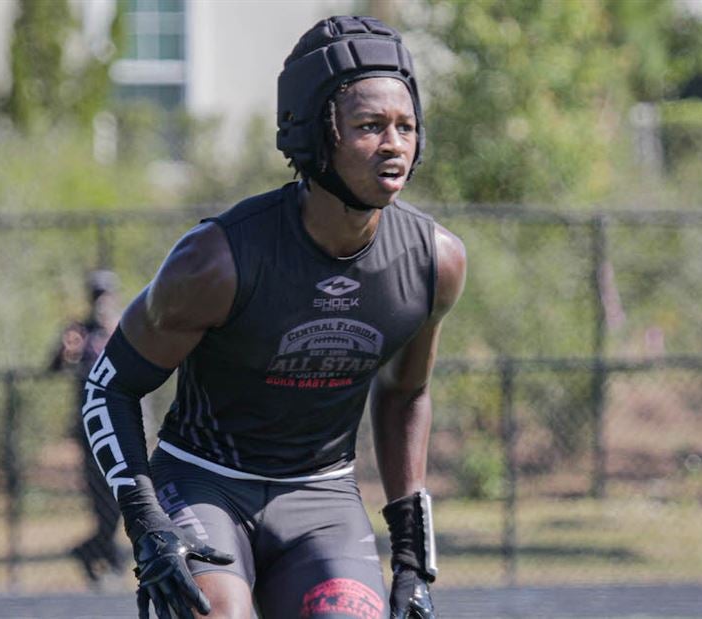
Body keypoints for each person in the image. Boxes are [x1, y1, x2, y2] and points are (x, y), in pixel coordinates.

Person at [79, 15, 466, 618]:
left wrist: (413, 558)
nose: (394, 144)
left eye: (406, 126)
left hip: (323, 499)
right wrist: (147, 523)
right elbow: (111, 386)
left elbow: (406, 395)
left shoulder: (433, 261)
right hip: (203, 485)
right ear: (317, 135)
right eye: (369, 126)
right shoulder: (217, 260)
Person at [50, 269, 126, 584]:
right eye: (96, 295)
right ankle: (108, 559)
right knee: (100, 500)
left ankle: (96, 552)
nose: (101, 301)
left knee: (124, 495)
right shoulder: (79, 332)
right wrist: (65, 352)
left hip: (124, 425)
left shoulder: (126, 327)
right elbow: (52, 367)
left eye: (105, 294)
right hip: (92, 428)